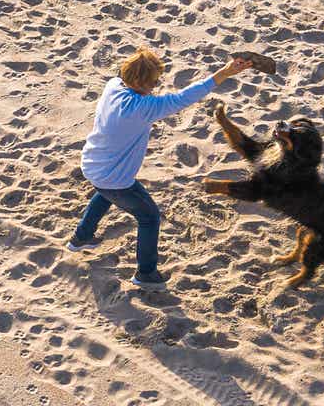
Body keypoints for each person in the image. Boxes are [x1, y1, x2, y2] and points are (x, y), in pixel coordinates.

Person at [67, 47, 257, 289]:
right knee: (149, 217)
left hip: (92, 164)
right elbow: (185, 97)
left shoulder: (113, 86)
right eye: (154, 82)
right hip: (112, 176)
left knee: (105, 193)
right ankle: (146, 274)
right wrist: (225, 72)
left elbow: (122, 73)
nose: (156, 86)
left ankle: (81, 238)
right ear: (140, 82)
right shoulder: (143, 107)